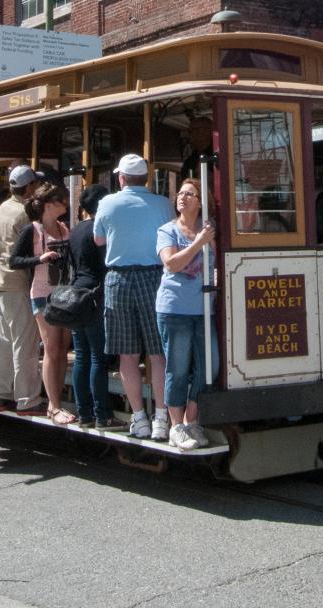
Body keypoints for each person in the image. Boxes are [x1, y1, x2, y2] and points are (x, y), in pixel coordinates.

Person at [94, 154, 175, 439]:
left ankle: (139, 418)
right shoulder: (163, 204)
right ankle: (162, 418)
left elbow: (99, 240)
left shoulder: (107, 203)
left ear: (121, 178)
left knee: (127, 355)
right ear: (147, 178)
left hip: (119, 278)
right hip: (154, 277)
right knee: (157, 352)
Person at [156, 179, 217, 450]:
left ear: (201, 201)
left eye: (189, 194)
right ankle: (176, 426)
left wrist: (209, 241)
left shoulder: (210, 230)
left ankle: (192, 420)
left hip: (203, 309)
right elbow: (171, 264)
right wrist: (199, 243)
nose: (182, 197)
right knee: (178, 369)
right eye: (180, 193)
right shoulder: (167, 230)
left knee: (209, 366)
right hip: (175, 308)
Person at [9, 182, 76, 425]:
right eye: (61, 201)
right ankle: (53, 405)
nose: (65, 205)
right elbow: (14, 260)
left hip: (64, 292)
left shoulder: (63, 228)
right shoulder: (33, 230)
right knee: (51, 348)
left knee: (62, 349)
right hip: (42, 293)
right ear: (48, 205)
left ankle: (55, 403)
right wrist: (41, 258)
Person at [68, 184, 128, 431]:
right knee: (97, 357)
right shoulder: (100, 230)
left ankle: (84, 414)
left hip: (75, 294)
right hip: (95, 295)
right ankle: (102, 415)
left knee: (82, 356)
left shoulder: (75, 230)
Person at [0, 163, 43, 412]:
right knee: (25, 344)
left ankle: (4, 394)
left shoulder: (3, 208)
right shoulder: (23, 213)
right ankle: (27, 399)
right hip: (17, 283)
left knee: (6, 341)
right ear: (29, 186)